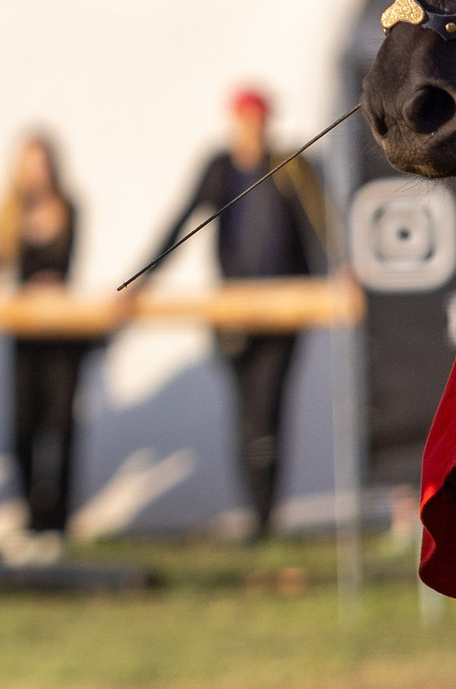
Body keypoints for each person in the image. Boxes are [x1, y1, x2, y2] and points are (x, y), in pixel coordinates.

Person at [132, 88, 332, 540]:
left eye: (259, 122)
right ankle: (255, 514)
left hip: (284, 309)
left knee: (268, 407)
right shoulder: (220, 167)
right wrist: (144, 277)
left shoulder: (289, 164)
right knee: (245, 414)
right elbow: (182, 221)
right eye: (245, 122)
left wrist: (340, 271)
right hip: (233, 312)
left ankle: (264, 517)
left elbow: (320, 221)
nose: (252, 131)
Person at [0, 133, 96, 544]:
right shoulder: (9, 214)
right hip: (25, 335)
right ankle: (31, 518)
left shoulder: (69, 209)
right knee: (22, 429)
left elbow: (66, 269)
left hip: (62, 335)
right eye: (30, 165)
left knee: (61, 426)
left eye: (42, 164)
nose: (36, 174)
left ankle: (57, 523)